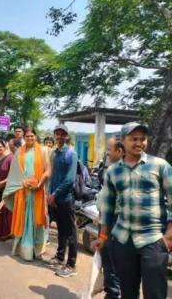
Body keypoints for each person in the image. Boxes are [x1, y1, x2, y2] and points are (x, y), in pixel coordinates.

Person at [95, 122, 172, 299]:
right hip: (123, 240)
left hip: (153, 239)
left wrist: (168, 237)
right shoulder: (113, 171)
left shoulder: (160, 165)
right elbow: (107, 207)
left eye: (142, 139)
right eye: (133, 139)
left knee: (155, 293)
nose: (139, 143)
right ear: (123, 141)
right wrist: (103, 236)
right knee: (127, 292)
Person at [3, 128, 50, 260]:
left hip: (38, 191)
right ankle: (24, 249)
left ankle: (37, 250)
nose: (29, 138)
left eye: (32, 136)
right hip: (23, 191)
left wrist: (40, 183)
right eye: (27, 136)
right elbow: (14, 173)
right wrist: (22, 182)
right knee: (23, 219)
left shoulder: (43, 150)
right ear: (25, 137)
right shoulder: (19, 152)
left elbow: (48, 171)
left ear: (35, 137)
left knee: (36, 219)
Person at [93, 137, 124, 299]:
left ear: (119, 151)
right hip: (111, 222)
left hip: (111, 224)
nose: (107, 152)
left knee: (111, 263)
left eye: (109, 149)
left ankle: (113, 294)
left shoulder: (117, 172)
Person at [47, 124, 78, 278]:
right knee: (61, 230)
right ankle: (60, 257)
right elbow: (53, 176)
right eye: (57, 134)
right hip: (56, 198)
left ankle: (71, 265)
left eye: (62, 134)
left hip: (66, 199)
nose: (59, 137)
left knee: (71, 232)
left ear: (67, 136)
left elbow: (70, 180)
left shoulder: (71, 154)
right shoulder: (56, 153)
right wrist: (50, 194)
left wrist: (55, 194)